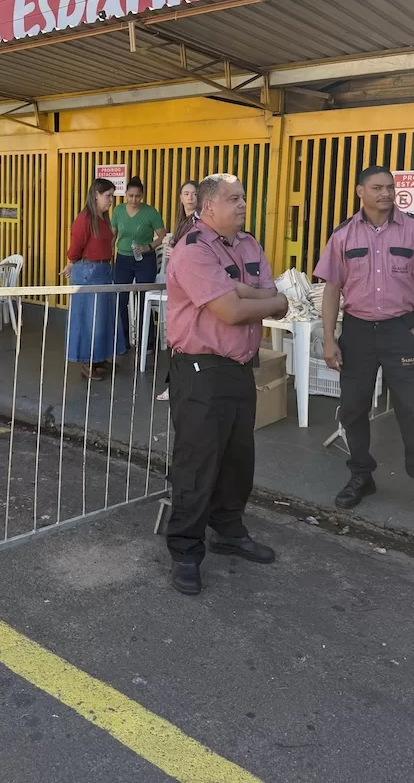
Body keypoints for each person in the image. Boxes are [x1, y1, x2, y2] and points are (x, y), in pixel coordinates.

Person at [165, 173, 289, 595]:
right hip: (200, 370)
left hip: (239, 366)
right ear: (208, 206)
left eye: (243, 198)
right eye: (233, 199)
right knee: (197, 464)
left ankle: (229, 531)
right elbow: (232, 312)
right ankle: (185, 551)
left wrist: (246, 294)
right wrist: (265, 299)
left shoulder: (249, 245)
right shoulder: (193, 250)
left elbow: (270, 295)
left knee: (237, 460)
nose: (242, 205)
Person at [314, 166, 414, 528]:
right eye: (377, 187)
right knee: (353, 408)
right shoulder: (343, 234)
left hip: (401, 331)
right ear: (360, 191)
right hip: (357, 332)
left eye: (390, 187)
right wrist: (330, 338)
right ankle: (362, 475)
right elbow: (332, 289)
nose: (386, 193)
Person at [62, 178, 126, 382]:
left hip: (103, 270)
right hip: (88, 272)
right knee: (89, 320)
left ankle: (98, 358)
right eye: (108, 196)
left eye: (112, 196)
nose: (111, 200)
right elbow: (75, 248)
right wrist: (72, 262)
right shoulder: (85, 219)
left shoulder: (103, 218)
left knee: (103, 318)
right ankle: (87, 362)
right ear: (96, 195)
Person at [111, 176, 166, 350]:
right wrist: (109, 256)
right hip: (123, 258)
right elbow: (113, 235)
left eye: (137, 196)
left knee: (144, 299)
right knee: (120, 299)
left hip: (145, 260)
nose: (134, 200)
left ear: (142, 196)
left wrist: (148, 247)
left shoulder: (151, 212)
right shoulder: (118, 211)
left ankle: (147, 342)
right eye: (131, 196)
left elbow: (162, 236)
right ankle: (122, 341)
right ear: (126, 194)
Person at [157, 180, 198, 401]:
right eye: (186, 193)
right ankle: (176, 384)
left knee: (185, 337)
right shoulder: (182, 222)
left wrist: (177, 253)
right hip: (178, 283)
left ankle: (178, 385)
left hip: (190, 284)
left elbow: (197, 253)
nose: (190, 197)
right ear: (181, 197)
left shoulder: (200, 223)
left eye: (194, 193)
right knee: (177, 337)